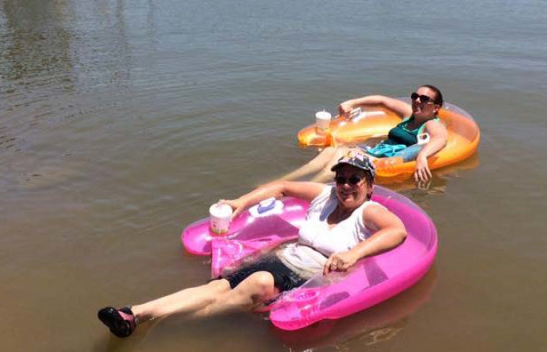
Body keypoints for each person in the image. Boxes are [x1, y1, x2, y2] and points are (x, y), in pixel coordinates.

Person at [97, 153, 407, 339]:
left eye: (355, 179)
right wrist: (240, 202)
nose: (346, 185)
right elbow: (282, 187)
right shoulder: (325, 196)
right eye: (342, 178)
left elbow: (398, 231)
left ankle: (170, 328)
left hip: (308, 276)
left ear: (369, 186)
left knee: (257, 283)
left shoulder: (368, 211)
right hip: (282, 259)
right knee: (216, 288)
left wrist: (353, 254)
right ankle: (132, 315)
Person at [273, 85, 448, 188]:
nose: (418, 101)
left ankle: (308, 185)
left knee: (342, 157)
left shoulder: (431, 123)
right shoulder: (408, 115)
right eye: (415, 96)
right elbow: (382, 100)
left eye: (424, 99)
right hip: (376, 151)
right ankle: (285, 179)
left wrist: (423, 156)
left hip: (385, 158)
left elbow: (440, 138)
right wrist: (352, 102)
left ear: (435, 107)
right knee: (334, 150)